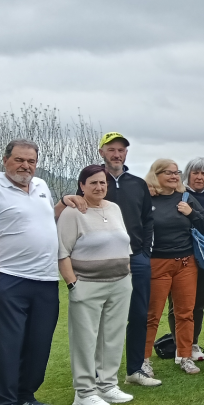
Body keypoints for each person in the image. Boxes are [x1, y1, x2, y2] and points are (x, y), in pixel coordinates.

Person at [0, 140, 60, 405]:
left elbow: (44, 221)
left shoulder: (42, 186)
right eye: (19, 160)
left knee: (38, 345)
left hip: (45, 280)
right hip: (9, 280)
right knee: (7, 346)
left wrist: (65, 203)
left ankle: (25, 397)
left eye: (31, 161)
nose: (25, 166)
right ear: (5, 159)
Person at [57, 132, 157, 388]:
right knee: (98, 322)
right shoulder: (92, 180)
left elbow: (147, 220)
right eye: (111, 149)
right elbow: (73, 213)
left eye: (121, 150)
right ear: (102, 152)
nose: (116, 154)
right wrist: (64, 199)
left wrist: (145, 252)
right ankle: (94, 377)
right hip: (96, 265)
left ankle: (135, 369)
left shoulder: (138, 184)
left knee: (138, 314)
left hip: (135, 258)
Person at [57, 164, 134, 405]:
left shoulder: (114, 209)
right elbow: (62, 252)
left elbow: (123, 244)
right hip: (87, 284)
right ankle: (84, 392)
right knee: (85, 340)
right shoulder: (72, 213)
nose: (99, 187)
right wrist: (73, 284)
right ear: (82, 186)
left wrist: (127, 274)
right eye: (93, 183)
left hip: (120, 283)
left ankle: (107, 385)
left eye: (102, 182)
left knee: (113, 336)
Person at [144, 159, 204, 376]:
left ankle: (185, 356)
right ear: (156, 175)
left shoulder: (185, 198)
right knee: (152, 314)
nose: (174, 176)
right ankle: (143, 360)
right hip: (157, 262)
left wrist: (191, 213)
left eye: (176, 172)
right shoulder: (147, 198)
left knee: (185, 313)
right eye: (168, 173)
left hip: (185, 263)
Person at [166, 157, 204, 361]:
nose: (199, 177)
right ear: (188, 174)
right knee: (178, 305)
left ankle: (193, 343)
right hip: (181, 255)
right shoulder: (178, 195)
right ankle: (180, 345)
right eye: (195, 172)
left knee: (198, 304)